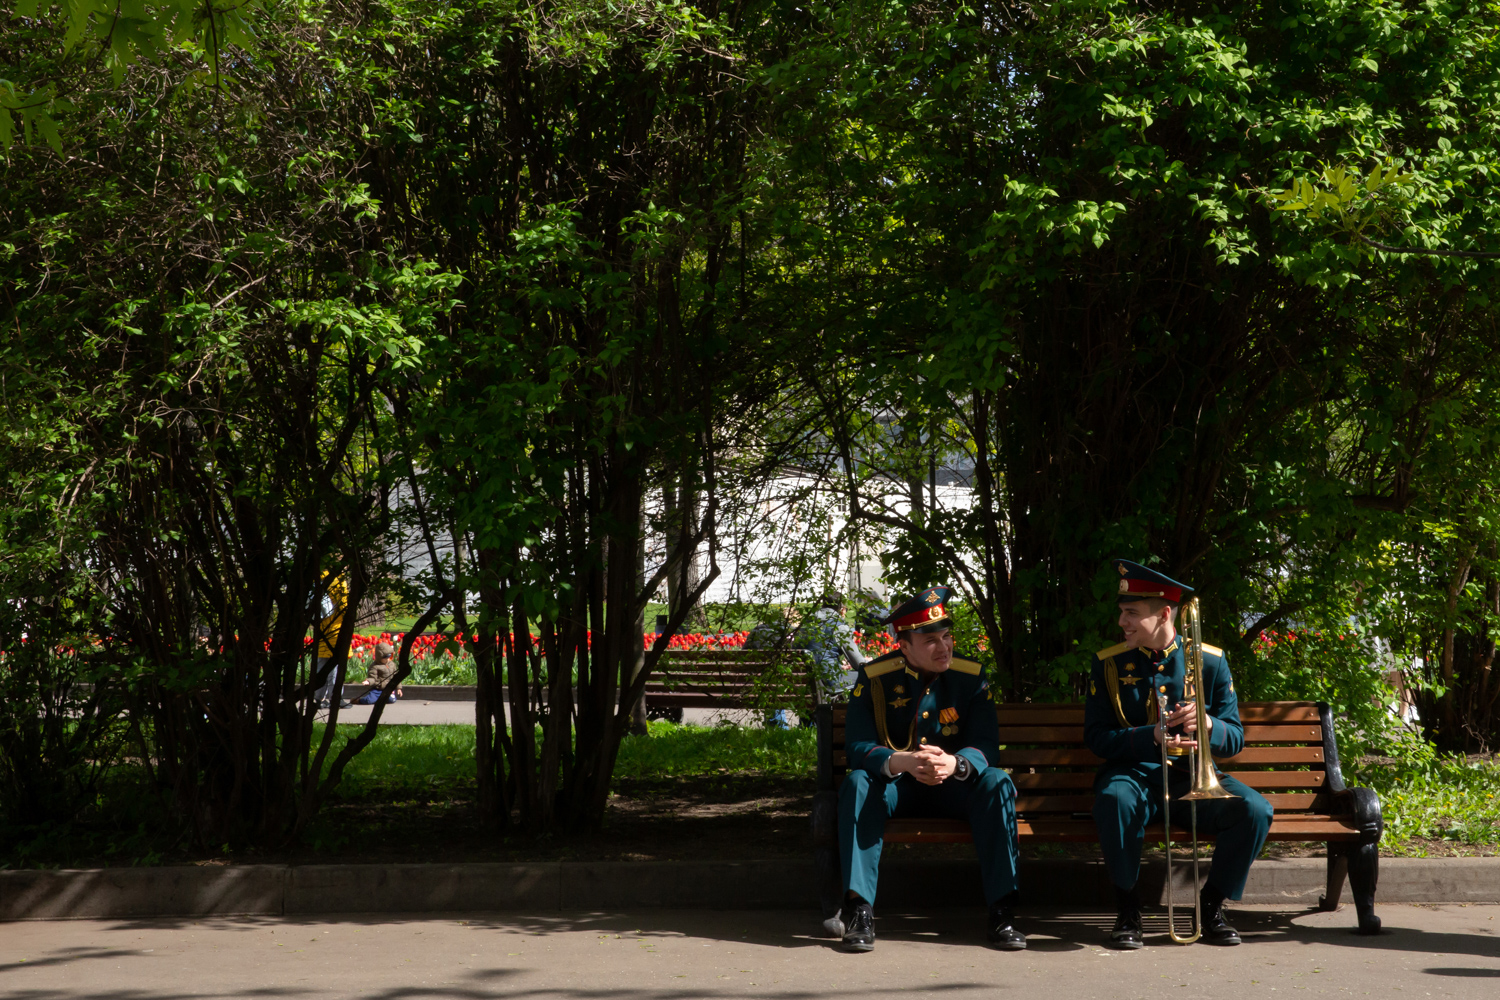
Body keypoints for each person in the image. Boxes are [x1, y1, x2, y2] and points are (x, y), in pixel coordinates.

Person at [1086, 558, 1273, 949]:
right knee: (1113, 798)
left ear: (1165, 613)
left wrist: (1207, 725)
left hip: (1193, 779)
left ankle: (1210, 908)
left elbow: (1234, 738)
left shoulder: (1210, 661)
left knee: (1255, 810)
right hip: (1134, 777)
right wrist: (1149, 736)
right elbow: (1099, 739)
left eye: (1132, 614)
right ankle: (1128, 911)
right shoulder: (1109, 665)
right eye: (1122, 612)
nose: (1123, 622)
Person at [829, 586, 1024, 952]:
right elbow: (856, 747)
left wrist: (955, 763)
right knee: (857, 784)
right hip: (897, 787)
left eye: (947, 636)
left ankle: (1002, 912)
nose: (944, 647)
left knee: (997, 783)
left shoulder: (971, 677)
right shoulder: (875, 678)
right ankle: (859, 912)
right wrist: (898, 760)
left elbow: (986, 744)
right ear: (904, 647)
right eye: (931, 640)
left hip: (954, 787)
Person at [796, 591, 865, 710]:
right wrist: (868, 661)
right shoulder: (839, 626)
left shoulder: (806, 624)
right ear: (842, 609)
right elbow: (859, 664)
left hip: (804, 680)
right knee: (865, 676)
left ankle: (807, 724)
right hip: (829, 681)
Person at [312, 574, 351, 710]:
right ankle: (335, 697)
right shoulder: (338, 579)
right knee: (334, 668)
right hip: (336, 629)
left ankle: (317, 698)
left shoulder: (317, 576)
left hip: (322, 628)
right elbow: (344, 605)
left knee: (321, 666)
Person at [353, 641, 403, 705]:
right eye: (385, 658)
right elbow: (373, 677)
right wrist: (368, 681)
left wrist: (399, 688)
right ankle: (358, 700)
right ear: (380, 657)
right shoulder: (375, 666)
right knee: (369, 701)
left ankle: (381, 699)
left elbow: (396, 677)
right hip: (377, 689)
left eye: (390, 657)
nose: (388, 660)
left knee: (392, 700)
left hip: (387, 689)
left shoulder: (392, 664)